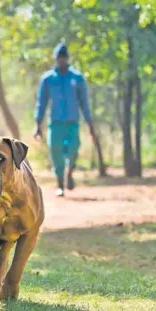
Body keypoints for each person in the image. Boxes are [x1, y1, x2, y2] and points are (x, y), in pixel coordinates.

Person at [34, 42, 95, 197]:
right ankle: (60, 183)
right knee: (56, 153)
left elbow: (84, 102)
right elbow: (42, 102)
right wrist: (38, 124)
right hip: (55, 124)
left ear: (67, 59)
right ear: (55, 59)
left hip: (72, 123)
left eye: (63, 58)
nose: (61, 61)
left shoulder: (77, 78)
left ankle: (70, 173)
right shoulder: (48, 79)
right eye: (59, 58)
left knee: (73, 150)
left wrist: (90, 123)